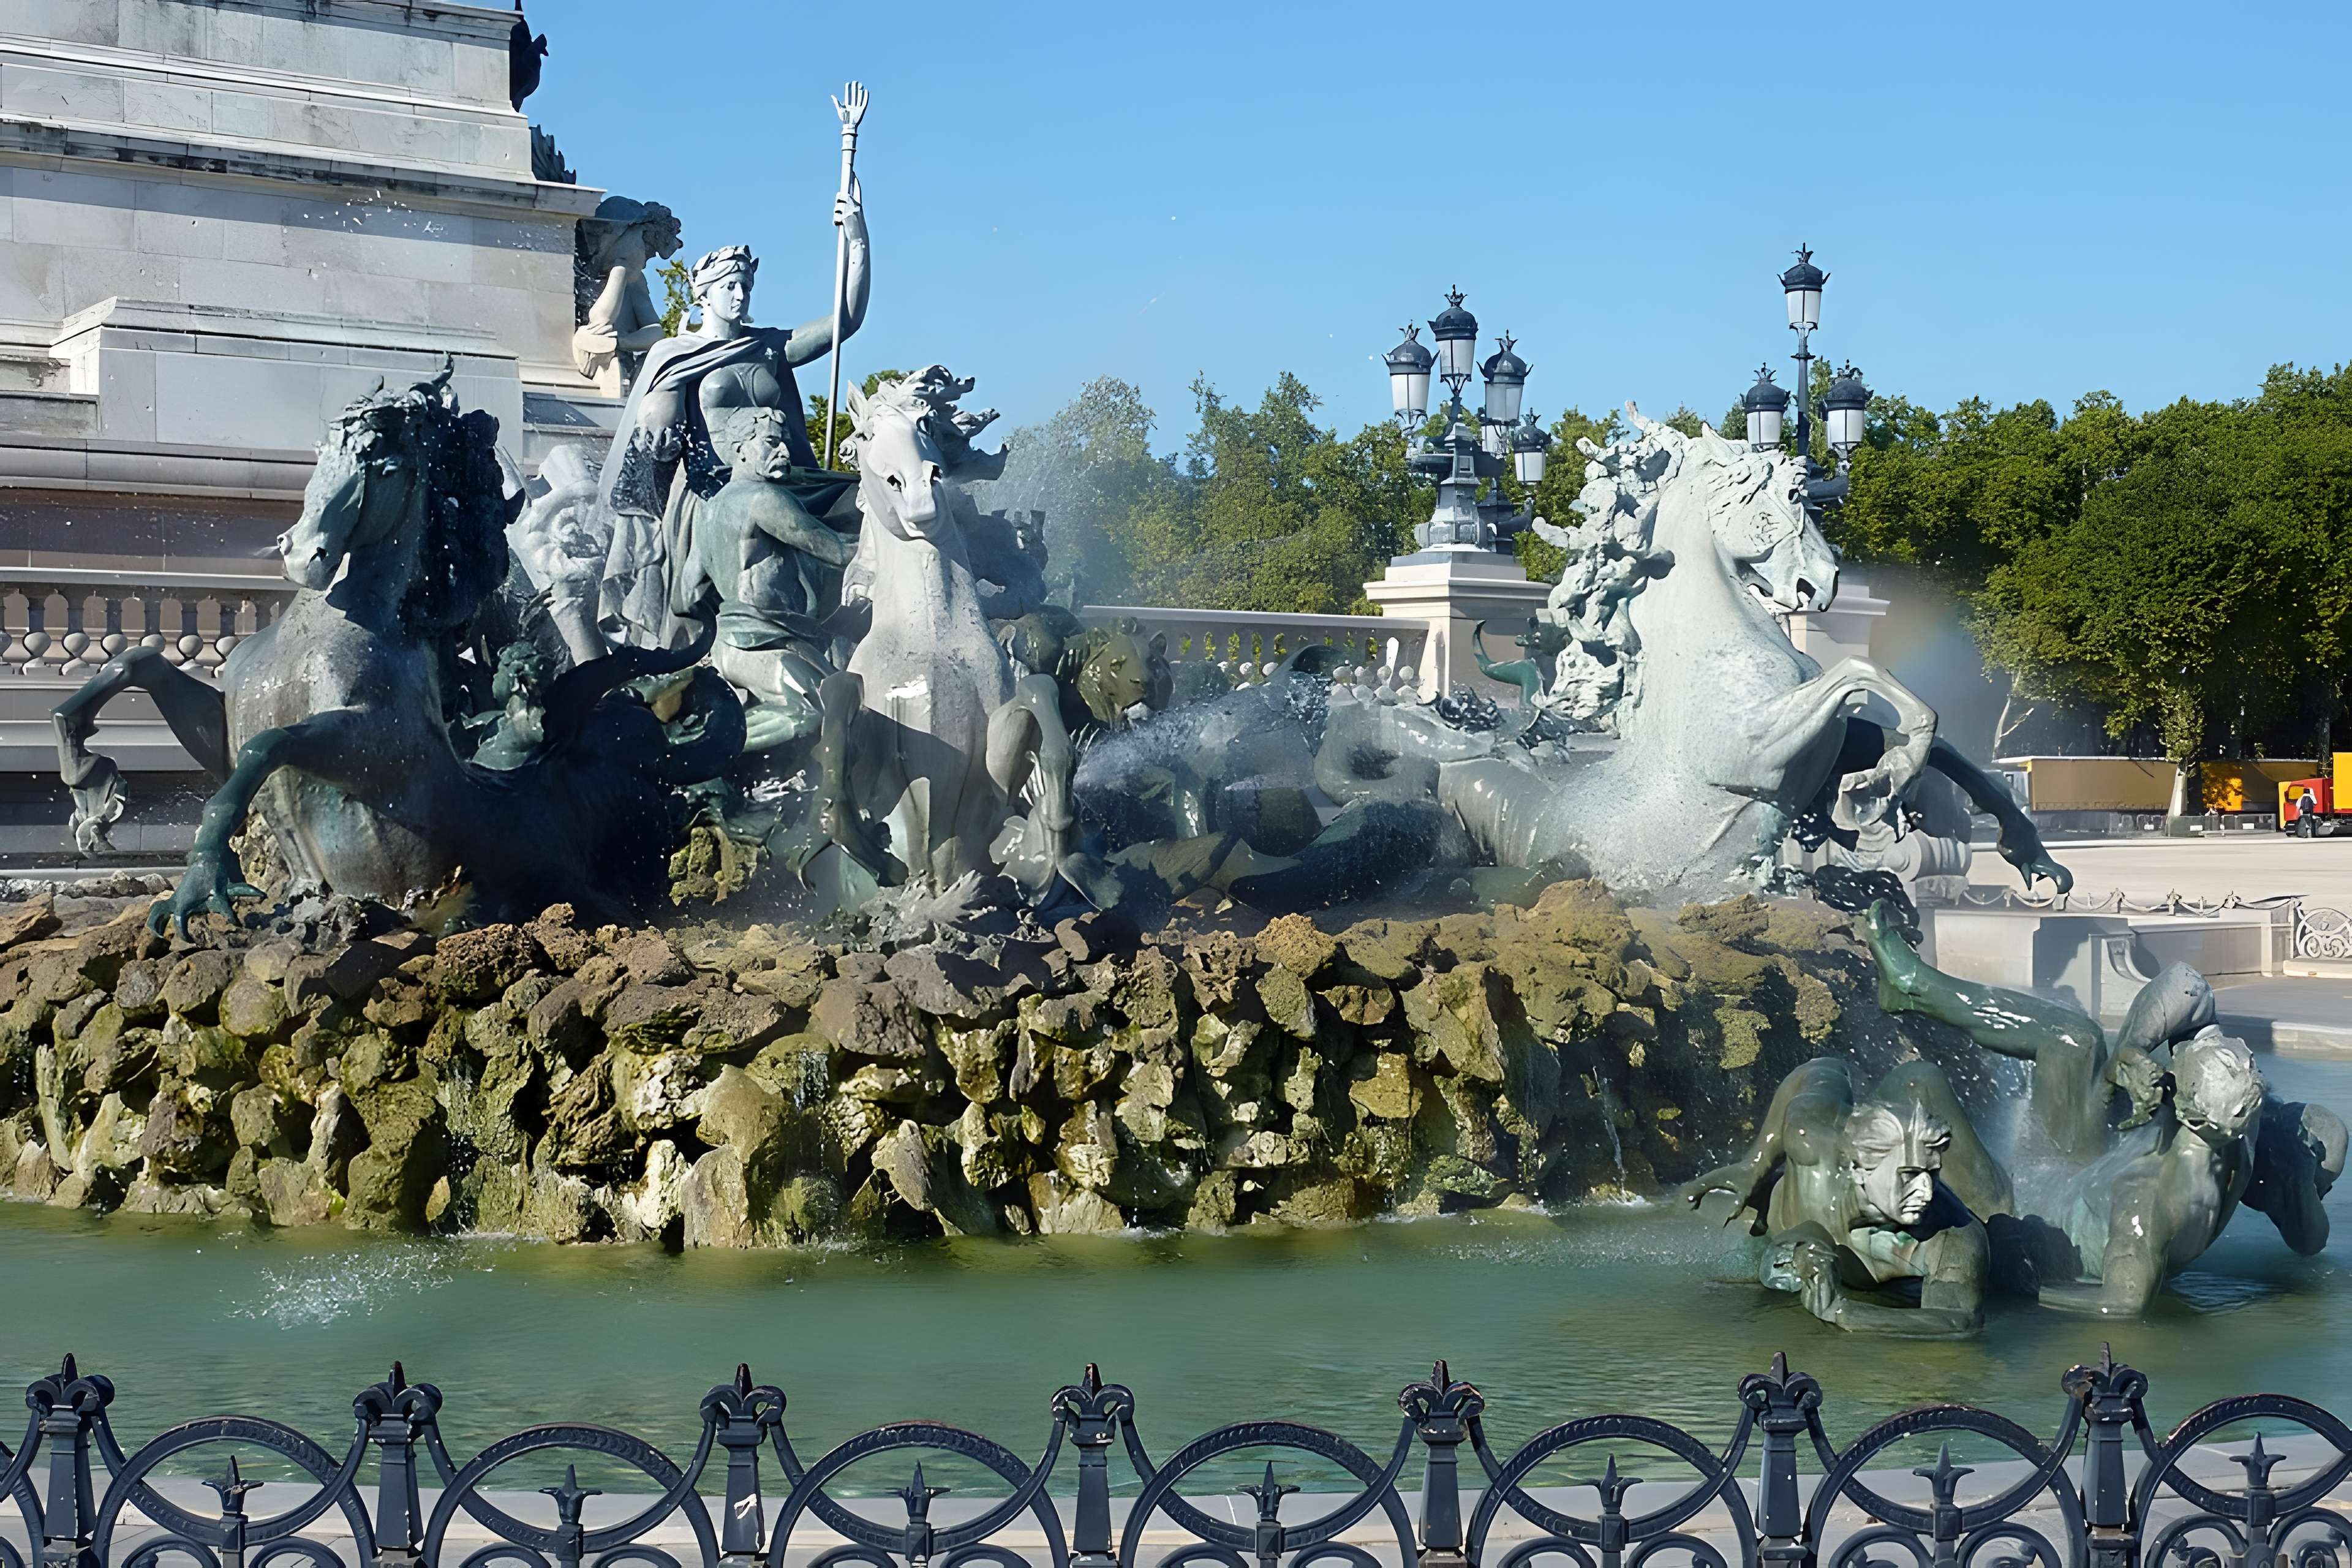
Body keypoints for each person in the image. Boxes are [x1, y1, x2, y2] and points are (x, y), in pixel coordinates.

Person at [595, 181, 870, 647]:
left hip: (783, 477)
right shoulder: (676, 353)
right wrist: (658, 417)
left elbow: (846, 318)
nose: (740, 295)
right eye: (729, 286)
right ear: (703, 294)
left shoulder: (768, 347)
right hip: (711, 487)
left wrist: (858, 240)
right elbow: (656, 424)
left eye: (745, 285)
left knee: (870, 502)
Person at [680, 407, 858, 753]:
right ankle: (700, 755)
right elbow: (836, 551)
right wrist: (898, 538)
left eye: (786, 443)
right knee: (815, 710)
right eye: (772, 442)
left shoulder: (708, 510)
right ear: (740, 449)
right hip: (761, 641)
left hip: (734, 640)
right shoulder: (765, 499)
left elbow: (685, 597)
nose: (785, 453)